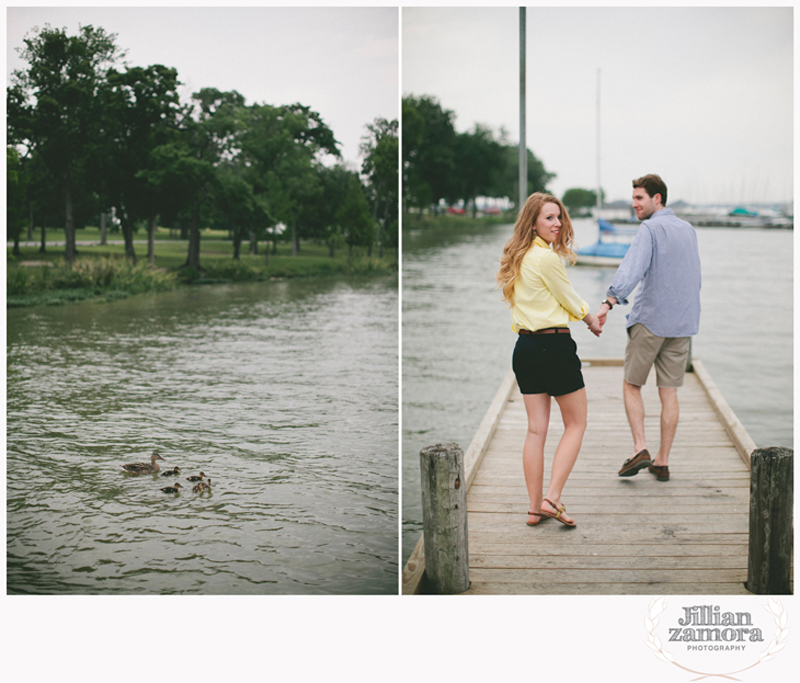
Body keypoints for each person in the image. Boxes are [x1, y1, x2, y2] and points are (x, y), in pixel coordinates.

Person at [496, 192, 602, 528]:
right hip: (553, 348)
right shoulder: (547, 259)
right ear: (533, 223)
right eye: (549, 218)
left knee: (536, 430)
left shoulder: (519, 257)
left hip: (524, 349)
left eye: (559, 217)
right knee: (576, 423)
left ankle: (533, 509)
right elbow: (568, 298)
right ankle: (552, 498)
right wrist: (592, 320)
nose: (557, 224)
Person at [594, 174, 701, 481]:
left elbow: (632, 268)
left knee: (631, 385)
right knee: (669, 393)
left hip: (651, 321)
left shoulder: (650, 228)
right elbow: (695, 276)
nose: (634, 203)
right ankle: (662, 462)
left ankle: (640, 448)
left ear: (658, 199)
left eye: (639, 198)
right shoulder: (688, 229)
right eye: (633, 197)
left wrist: (608, 302)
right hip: (682, 324)